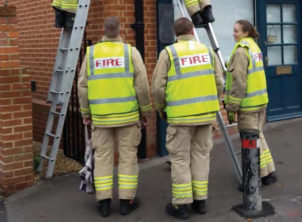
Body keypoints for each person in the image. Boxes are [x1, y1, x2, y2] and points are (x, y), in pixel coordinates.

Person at [78, 16, 151, 217]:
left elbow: (82, 87)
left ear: (104, 31)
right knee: (128, 158)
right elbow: (142, 86)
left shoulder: (91, 54)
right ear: (120, 31)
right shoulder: (130, 52)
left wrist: (86, 113)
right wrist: (146, 112)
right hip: (128, 117)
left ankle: (103, 203)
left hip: (101, 118)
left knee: (102, 159)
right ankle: (126, 202)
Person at [152, 17, 223, 220]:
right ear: (192, 31)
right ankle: (201, 202)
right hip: (205, 116)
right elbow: (219, 82)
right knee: (201, 157)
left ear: (176, 34)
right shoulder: (208, 52)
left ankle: (181, 206)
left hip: (180, 118)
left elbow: (158, 88)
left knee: (180, 160)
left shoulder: (169, 53)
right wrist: (212, 102)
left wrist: (161, 109)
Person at [225, 19, 277, 186]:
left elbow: (240, 82)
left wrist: (232, 106)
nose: (234, 33)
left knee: (250, 142)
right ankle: (269, 172)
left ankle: (255, 178)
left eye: (236, 31)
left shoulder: (241, 51)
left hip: (248, 106)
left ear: (245, 33)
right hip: (260, 102)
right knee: (259, 136)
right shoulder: (254, 47)